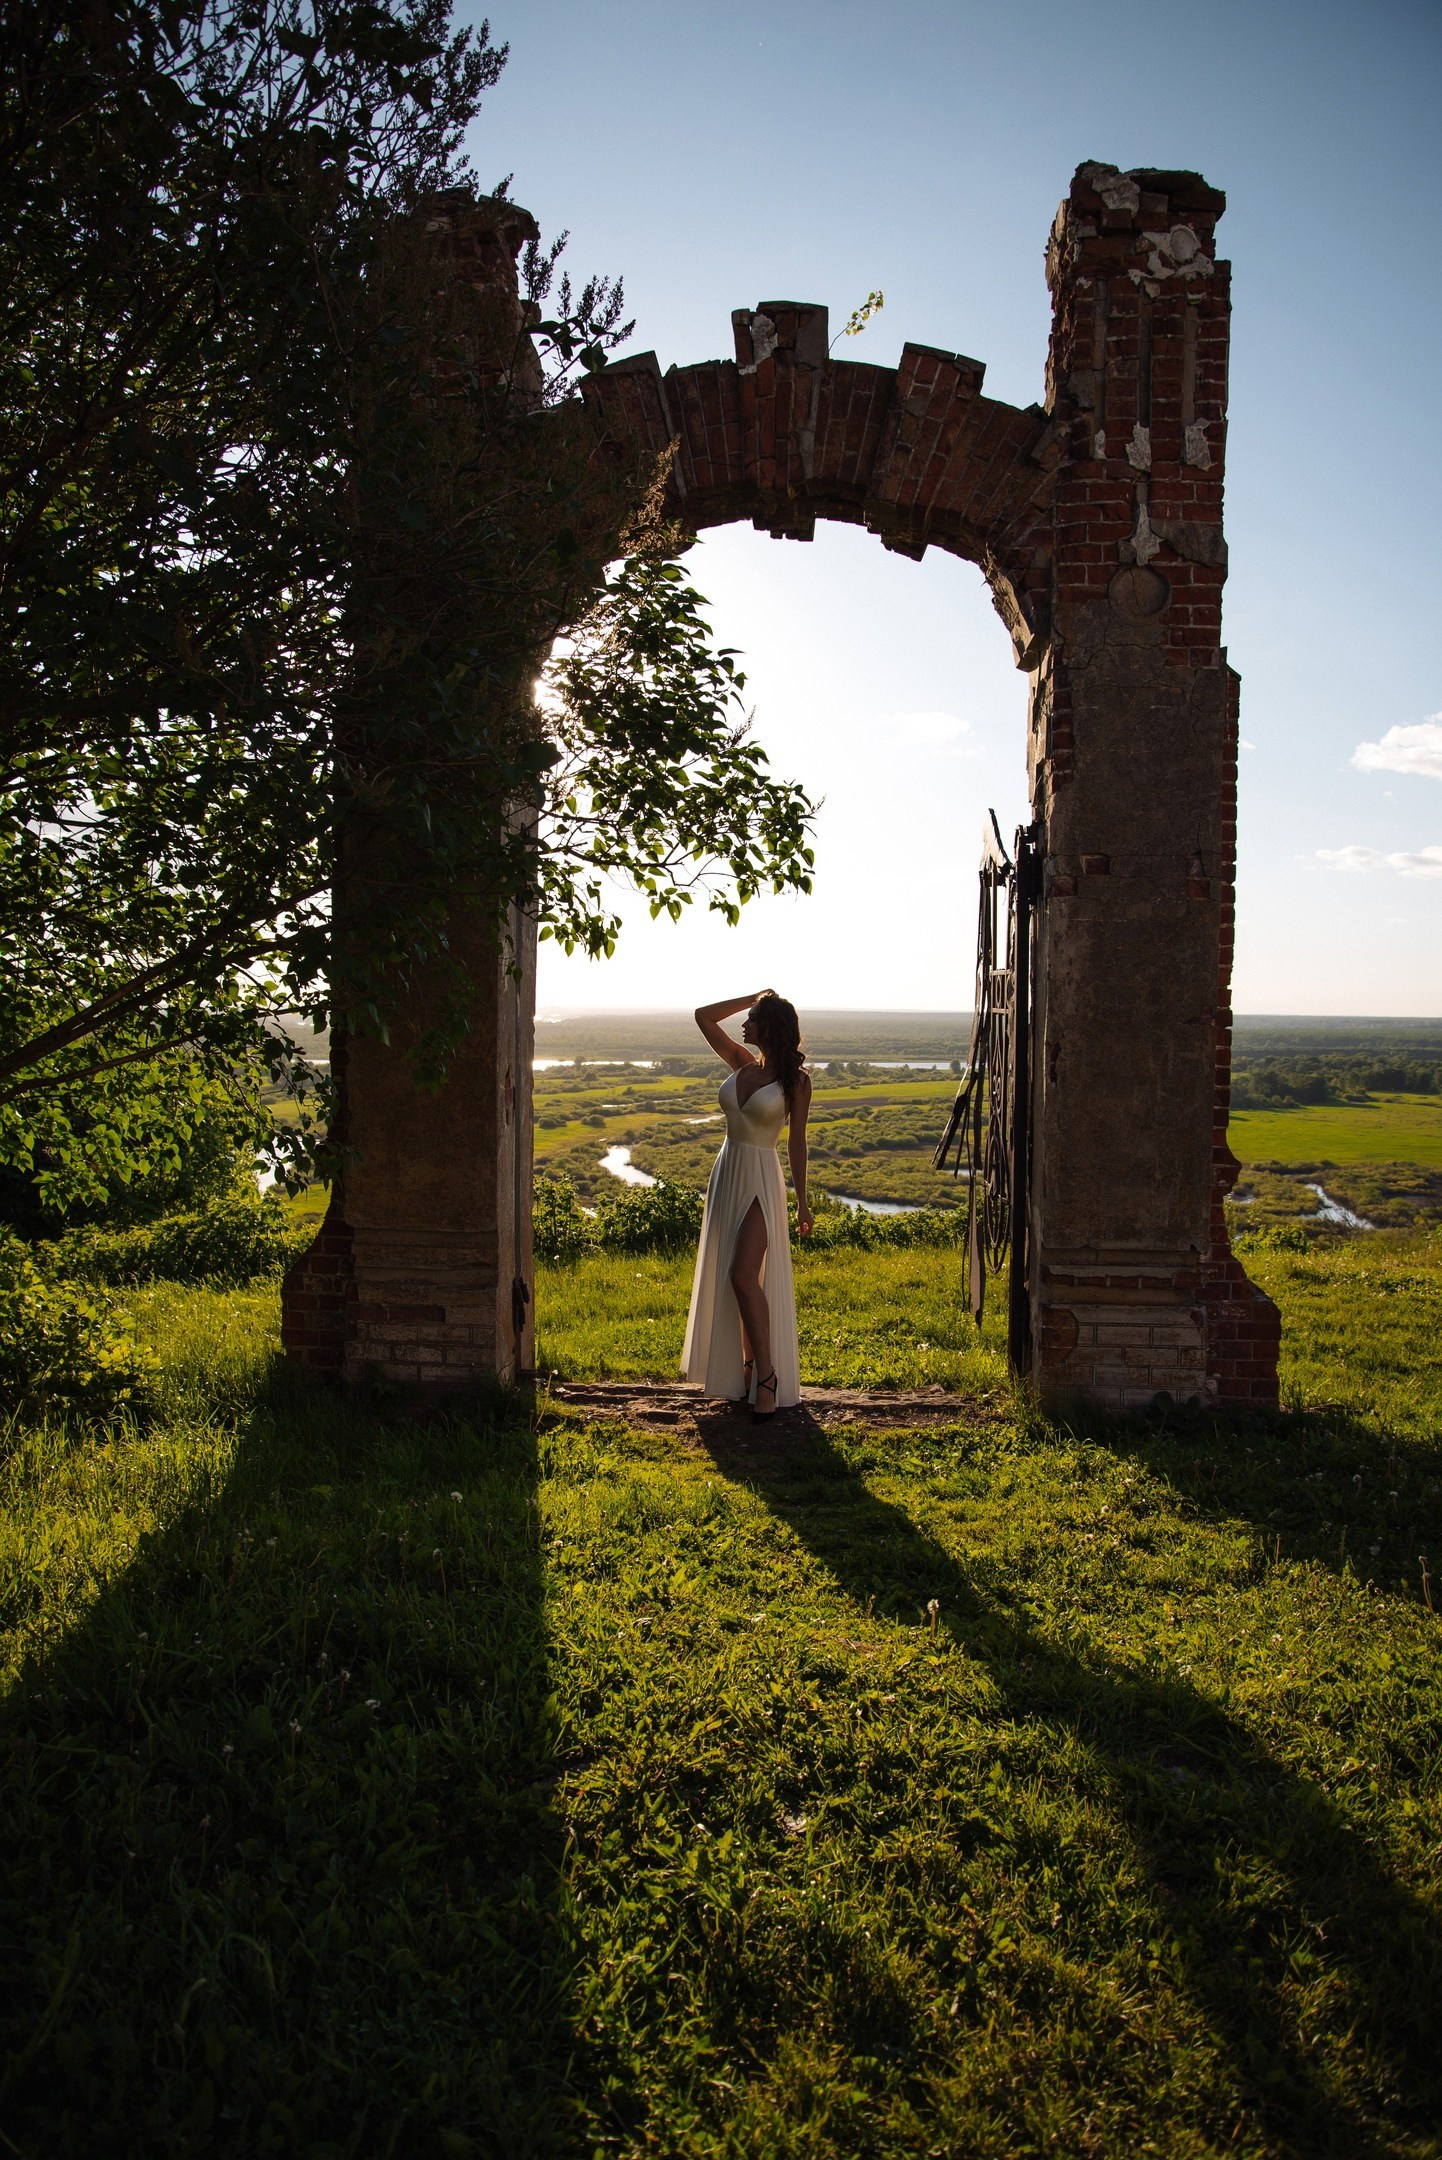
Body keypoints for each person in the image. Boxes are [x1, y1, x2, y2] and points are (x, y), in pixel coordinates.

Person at [681, 989, 812, 1420]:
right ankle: (748, 1368)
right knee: (734, 1275)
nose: (744, 1024)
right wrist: (752, 996)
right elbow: (703, 1016)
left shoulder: (797, 1082)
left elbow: (796, 1144)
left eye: (753, 1018)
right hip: (728, 1172)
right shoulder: (740, 1062)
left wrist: (803, 1203)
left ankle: (767, 1376)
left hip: (760, 1178)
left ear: (770, 1026)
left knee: (742, 1274)